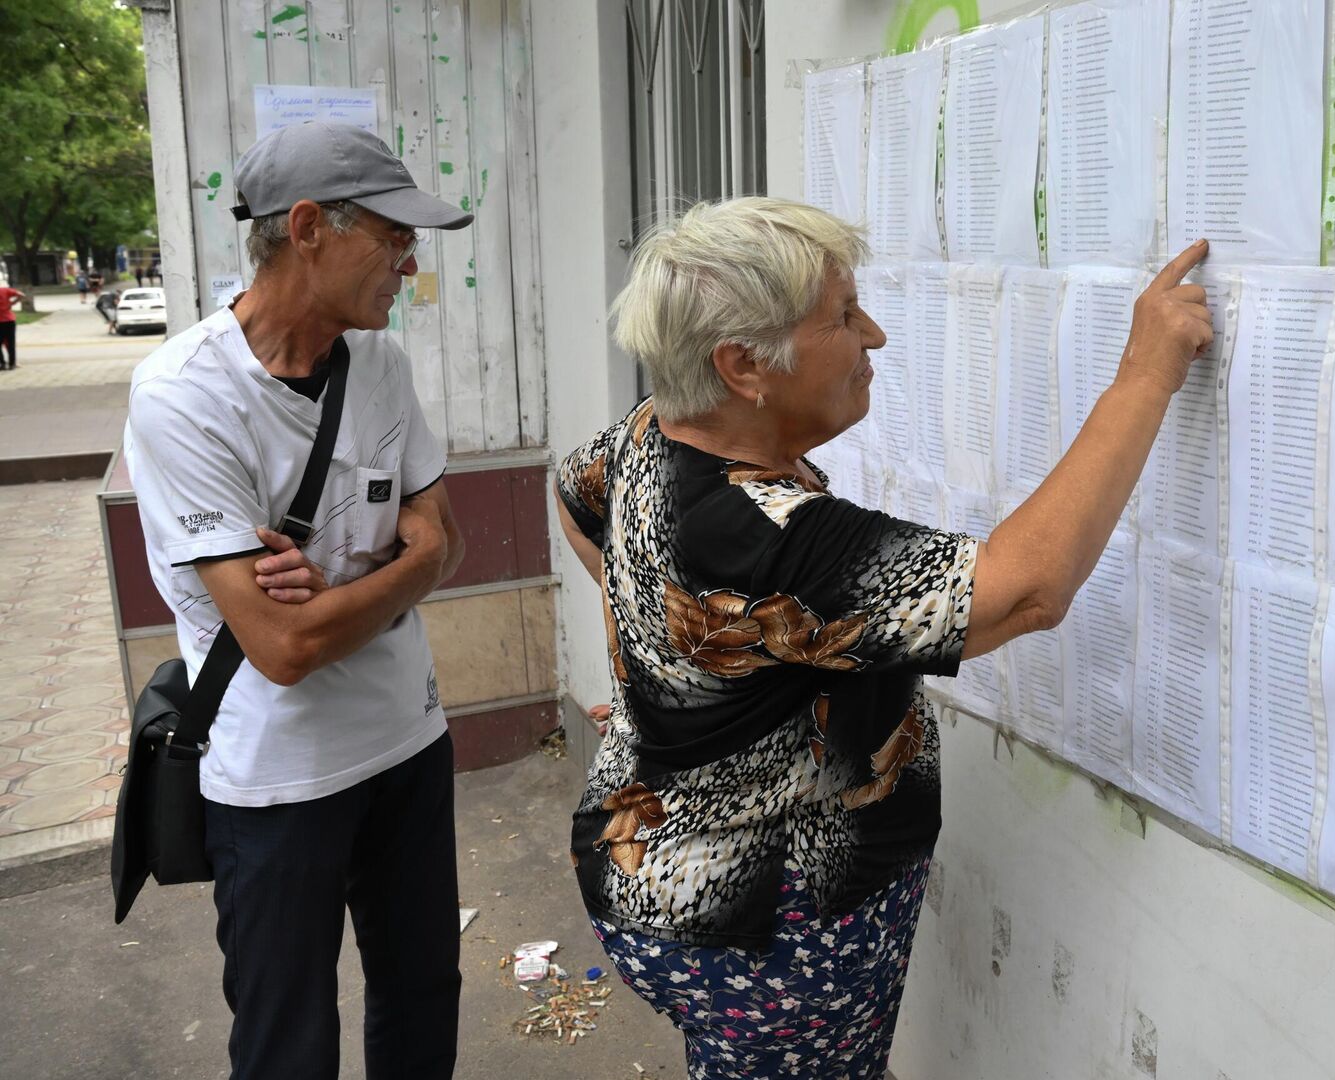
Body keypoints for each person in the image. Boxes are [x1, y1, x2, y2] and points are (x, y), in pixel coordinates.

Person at [554, 197, 1211, 1078]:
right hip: (763, 928)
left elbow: (571, 497)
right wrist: (1144, 373)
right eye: (842, 318)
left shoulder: (653, 430)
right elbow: (1029, 591)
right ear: (744, 364)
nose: (876, 336)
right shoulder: (767, 532)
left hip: (654, 886)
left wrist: (673, 670)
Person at [123, 120, 472, 1080]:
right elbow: (281, 647)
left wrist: (358, 589)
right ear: (309, 226)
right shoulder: (183, 396)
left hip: (407, 742)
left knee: (421, 999)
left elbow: (449, 539)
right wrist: (405, 566)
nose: (411, 260)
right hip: (275, 778)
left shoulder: (384, 366)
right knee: (287, 1041)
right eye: (395, 236)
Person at [0, 282, 23, 369]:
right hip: (10, 320)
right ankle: (12, 364)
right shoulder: (5, 290)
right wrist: (12, 303)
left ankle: (2, 364)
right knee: (10, 343)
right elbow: (21, 295)